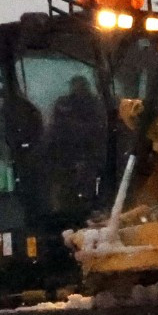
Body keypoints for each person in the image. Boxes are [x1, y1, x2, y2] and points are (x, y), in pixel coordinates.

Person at [47, 75, 106, 213]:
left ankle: (91, 208)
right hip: (66, 156)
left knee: (90, 187)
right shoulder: (63, 104)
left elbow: (100, 127)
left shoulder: (96, 105)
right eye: (75, 85)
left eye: (81, 85)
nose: (77, 89)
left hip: (92, 154)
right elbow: (56, 129)